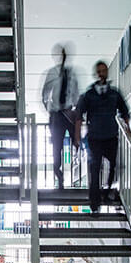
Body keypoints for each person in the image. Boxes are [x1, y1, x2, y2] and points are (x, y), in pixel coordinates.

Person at [74, 61, 131, 212]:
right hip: (94, 138)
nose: (101, 73)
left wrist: (128, 129)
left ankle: (105, 193)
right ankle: (94, 203)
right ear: (96, 73)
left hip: (111, 136)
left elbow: (124, 111)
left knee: (113, 167)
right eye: (98, 71)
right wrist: (77, 136)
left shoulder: (114, 93)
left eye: (103, 70)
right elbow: (79, 115)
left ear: (106, 72)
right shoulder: (89, 94)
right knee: (94, 169)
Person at [41, 44, 80, 190]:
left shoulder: (72, 74)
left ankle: (76, 169)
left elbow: (76, 94)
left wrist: (76, 111)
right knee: (57, 148)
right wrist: (49, 109)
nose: (63, 57)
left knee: (76, 142)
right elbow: (45, 93)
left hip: (69, 113)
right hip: (57, 114)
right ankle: (59, 176)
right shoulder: (52, 73)